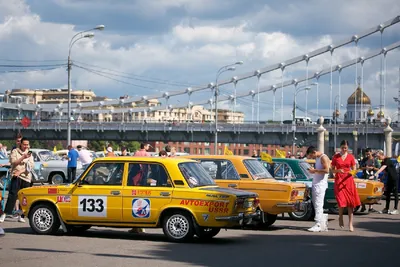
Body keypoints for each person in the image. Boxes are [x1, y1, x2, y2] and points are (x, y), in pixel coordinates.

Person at [0, 137, 34, 223]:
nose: (26, 146)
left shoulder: (30, 153)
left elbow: (31, 166)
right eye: (24, 144)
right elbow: (13, 162)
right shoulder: (15, 151)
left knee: (24, 198)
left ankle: (21, 216)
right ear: (21, 144)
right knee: (13, 195)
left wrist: (21, 171)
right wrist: (23, 157)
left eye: (27, 144)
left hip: (26, 177)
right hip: (16, 176)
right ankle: (5, 213)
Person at [331, 140, 361, 232]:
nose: (344, 149)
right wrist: (337, 171)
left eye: (346, 148)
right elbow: (332, 170)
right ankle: (340, 217)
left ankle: (350, 223)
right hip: (339, 180)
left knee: (350, 203)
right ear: (340, 147)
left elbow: (354, 169)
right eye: (343, 148)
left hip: (348, 180)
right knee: (341, 201)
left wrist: (352, 172)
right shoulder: (335, 157)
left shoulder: (351, 157)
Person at [305, 146, 330, 232]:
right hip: (317, 183)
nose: (312, 158)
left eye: (311, 156)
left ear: (314, 152)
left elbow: (327, 170)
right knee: (317, 204)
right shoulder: (319, 158)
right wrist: (315, 170)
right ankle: (321, 223)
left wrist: (314, 171)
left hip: (320, 184)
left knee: (318, 204)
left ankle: (318, 224)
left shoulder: (323, 157)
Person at [129, 142, 151, 234]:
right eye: (148, 146)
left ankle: (135, 227)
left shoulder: (136, 153)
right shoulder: (147, 154)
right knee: (142, 203)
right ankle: (141, 226)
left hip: (134, 180)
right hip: (142, 180)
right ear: (145, 147)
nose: (149, 147)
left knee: (133, 203)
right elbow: (150, 166)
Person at [374, 150, 399, 215]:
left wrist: (376, 173)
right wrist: (381, 178)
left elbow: (383, 167)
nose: (378, 158)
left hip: (394, 178)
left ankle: (396, 209)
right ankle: (386, 209)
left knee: (395, 193)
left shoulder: (387, 160)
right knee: (387, 193)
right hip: (389, 178)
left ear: (382, 155)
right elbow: (385, 172)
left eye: (378, 156)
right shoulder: (383, 162)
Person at [359, 148, 380, 213]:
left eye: (368, 154)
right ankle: (363, 206)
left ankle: (371, 207)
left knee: (371, 193)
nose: (367, 155)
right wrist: (366, 168)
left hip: (372, 178)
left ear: (371, 152)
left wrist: (373, 168)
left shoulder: (375, 160)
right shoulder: (364, 160)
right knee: (363, 191)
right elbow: (360, 167)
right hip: (364, 177)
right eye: (366, 154)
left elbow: (379, 169)